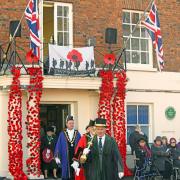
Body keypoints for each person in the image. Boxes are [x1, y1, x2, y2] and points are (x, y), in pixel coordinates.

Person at [54, 115, 81, 180]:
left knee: (75, 174)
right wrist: (57, 156)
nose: (71, 125)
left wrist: (79, 156)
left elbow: (80, 146)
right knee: (66, 173)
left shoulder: (77, 133)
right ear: (66, 124)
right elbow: (58, 145)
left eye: (72, 123)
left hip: (75, 156)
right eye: (70, 123)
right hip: (65, 157)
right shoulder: (62, 134)